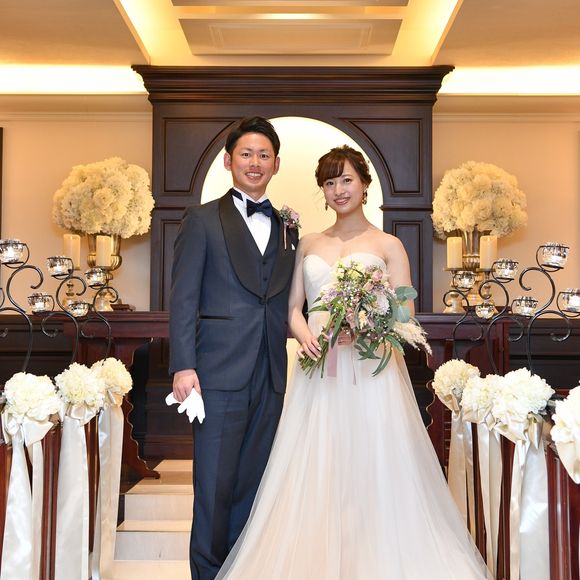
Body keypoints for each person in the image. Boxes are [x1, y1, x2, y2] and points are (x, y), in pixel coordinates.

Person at [216, 145, 491, 579]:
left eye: (346, 180)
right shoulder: (308, 243)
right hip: (317, 372)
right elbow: (292, 308)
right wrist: (305, 334)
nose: (338, 190)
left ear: (364, 184)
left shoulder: (388, 244)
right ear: (322, 191)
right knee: (316, 463)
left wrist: (364, 329)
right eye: (329, 182)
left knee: (373, 462)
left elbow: (404, 313)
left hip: (370, 373)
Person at [169, 117, 298, 580]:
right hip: (217, 372)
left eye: (264, 155)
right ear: (228, 161)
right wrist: (183, 365)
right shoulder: (202, 219)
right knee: (214, 485)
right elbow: (183, 297)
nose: (255, 162)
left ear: (276, 164)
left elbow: (289, 300)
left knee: (253, 485)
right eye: (246, 154)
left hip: (271, 371)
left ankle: (241, 571)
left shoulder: (288, 227)